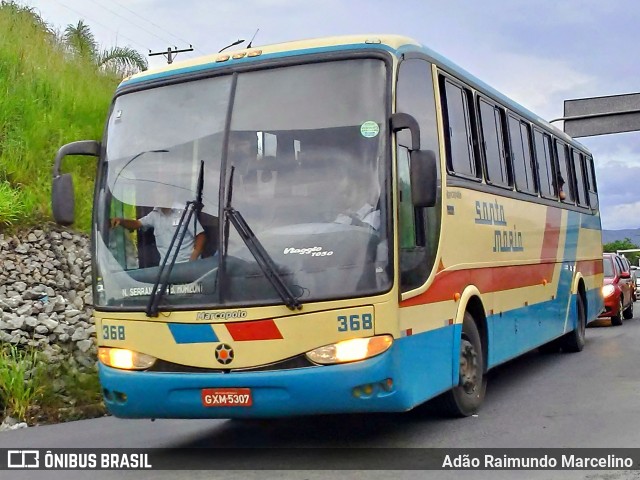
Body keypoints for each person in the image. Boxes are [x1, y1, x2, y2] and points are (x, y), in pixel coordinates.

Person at [111, 205, 206, 263]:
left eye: (162, 193)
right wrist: (121, 221)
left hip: (188, 267)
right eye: (156, 195)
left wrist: (193, 259)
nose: (159, 197)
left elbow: (201, 236)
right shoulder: (154, 215)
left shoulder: (185, 212)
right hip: (166, 270)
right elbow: (136, 224)